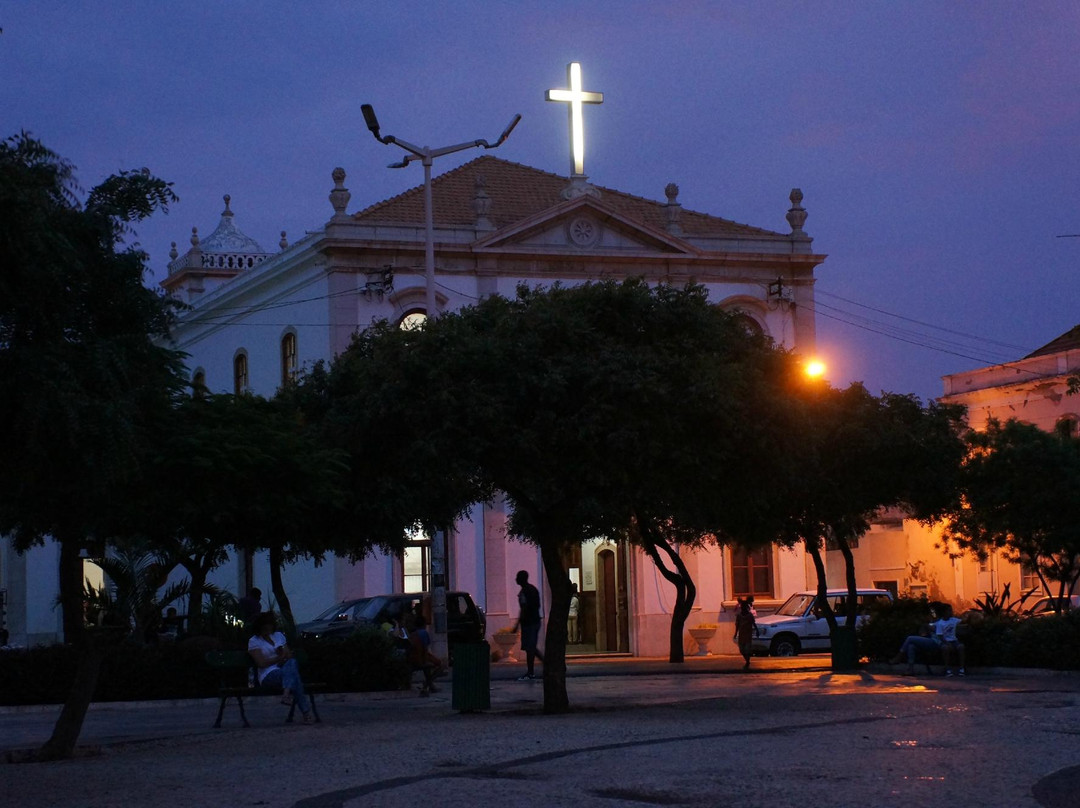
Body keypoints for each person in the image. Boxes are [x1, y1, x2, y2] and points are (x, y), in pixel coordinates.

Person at [247, 612, 314, 723]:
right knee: (294, 676)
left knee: (292, 663)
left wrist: (283, 653)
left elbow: (288, 656)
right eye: (265, 626)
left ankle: (286, 693)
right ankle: (306, 713)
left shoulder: (278, 636)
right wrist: (279, 659)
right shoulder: (254, 641)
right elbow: (261, 663)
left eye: (269, 625)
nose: (268, 628)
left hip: (283, 669)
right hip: (268, 674)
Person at [513, 570, 544, 681]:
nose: (515, 579)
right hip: (534, 621)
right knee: (531, 648)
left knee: (530, 648)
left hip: (529, 622)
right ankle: (540, 667)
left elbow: (524, 609)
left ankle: (531, 672)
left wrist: (517, 625)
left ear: (522, 579)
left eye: (517, 577)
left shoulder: (525, 591)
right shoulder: (533, 589)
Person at [733, 596, 757, 670]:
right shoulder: (739, 616)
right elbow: (737, 625)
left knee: (747, 649)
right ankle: (747, 660)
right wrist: (735, 633)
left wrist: (757, 631)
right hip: (741, 634)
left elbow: (753, 624)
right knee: (742, 649)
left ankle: (747, 661)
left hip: (748, 634)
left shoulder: (750, 615)